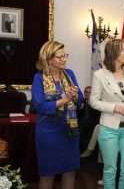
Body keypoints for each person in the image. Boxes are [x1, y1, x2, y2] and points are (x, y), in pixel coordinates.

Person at [31, 40, 84, 189]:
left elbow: (81, 99)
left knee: (70, 172)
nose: (64, 59)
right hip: (48, 132)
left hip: (70, 129)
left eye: (65, 56)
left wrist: (73, 96)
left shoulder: (70, 74)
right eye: (60, 57)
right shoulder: (39, 77)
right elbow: (40, 106)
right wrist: (64, 99)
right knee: (48, 175)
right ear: (48, 58)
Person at [89, 39, 124, 189]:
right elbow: (93, 101)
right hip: (109, 129)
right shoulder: (99, 75)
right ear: (114, 53)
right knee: (110, 170)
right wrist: (114, 107)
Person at [77, 86, 101, 153]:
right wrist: (80, 108)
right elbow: (77, 115)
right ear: (84, 93)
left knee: (79, 123)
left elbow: (97, 115)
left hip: (93, 123)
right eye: (86, 92)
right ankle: (79, 150)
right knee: (80, 129)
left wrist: (90, 103)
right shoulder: (80, 102)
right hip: (83, 124)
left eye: (90, 92)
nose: (88, 94)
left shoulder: (96, 103)